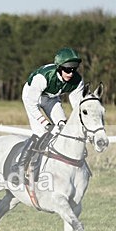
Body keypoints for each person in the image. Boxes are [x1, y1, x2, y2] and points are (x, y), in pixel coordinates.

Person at [12, 47, 85, 178]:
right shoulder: (43, 77)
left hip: (51, 98)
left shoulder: (77, 81)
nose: (71, 73)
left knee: (62, 127)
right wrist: (45, 123)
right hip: (31, 97)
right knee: (41, 132)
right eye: (67, 69)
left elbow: (77, 106)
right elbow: (32, 104)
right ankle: (19, 167)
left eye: (74, 69)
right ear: (59, 68)